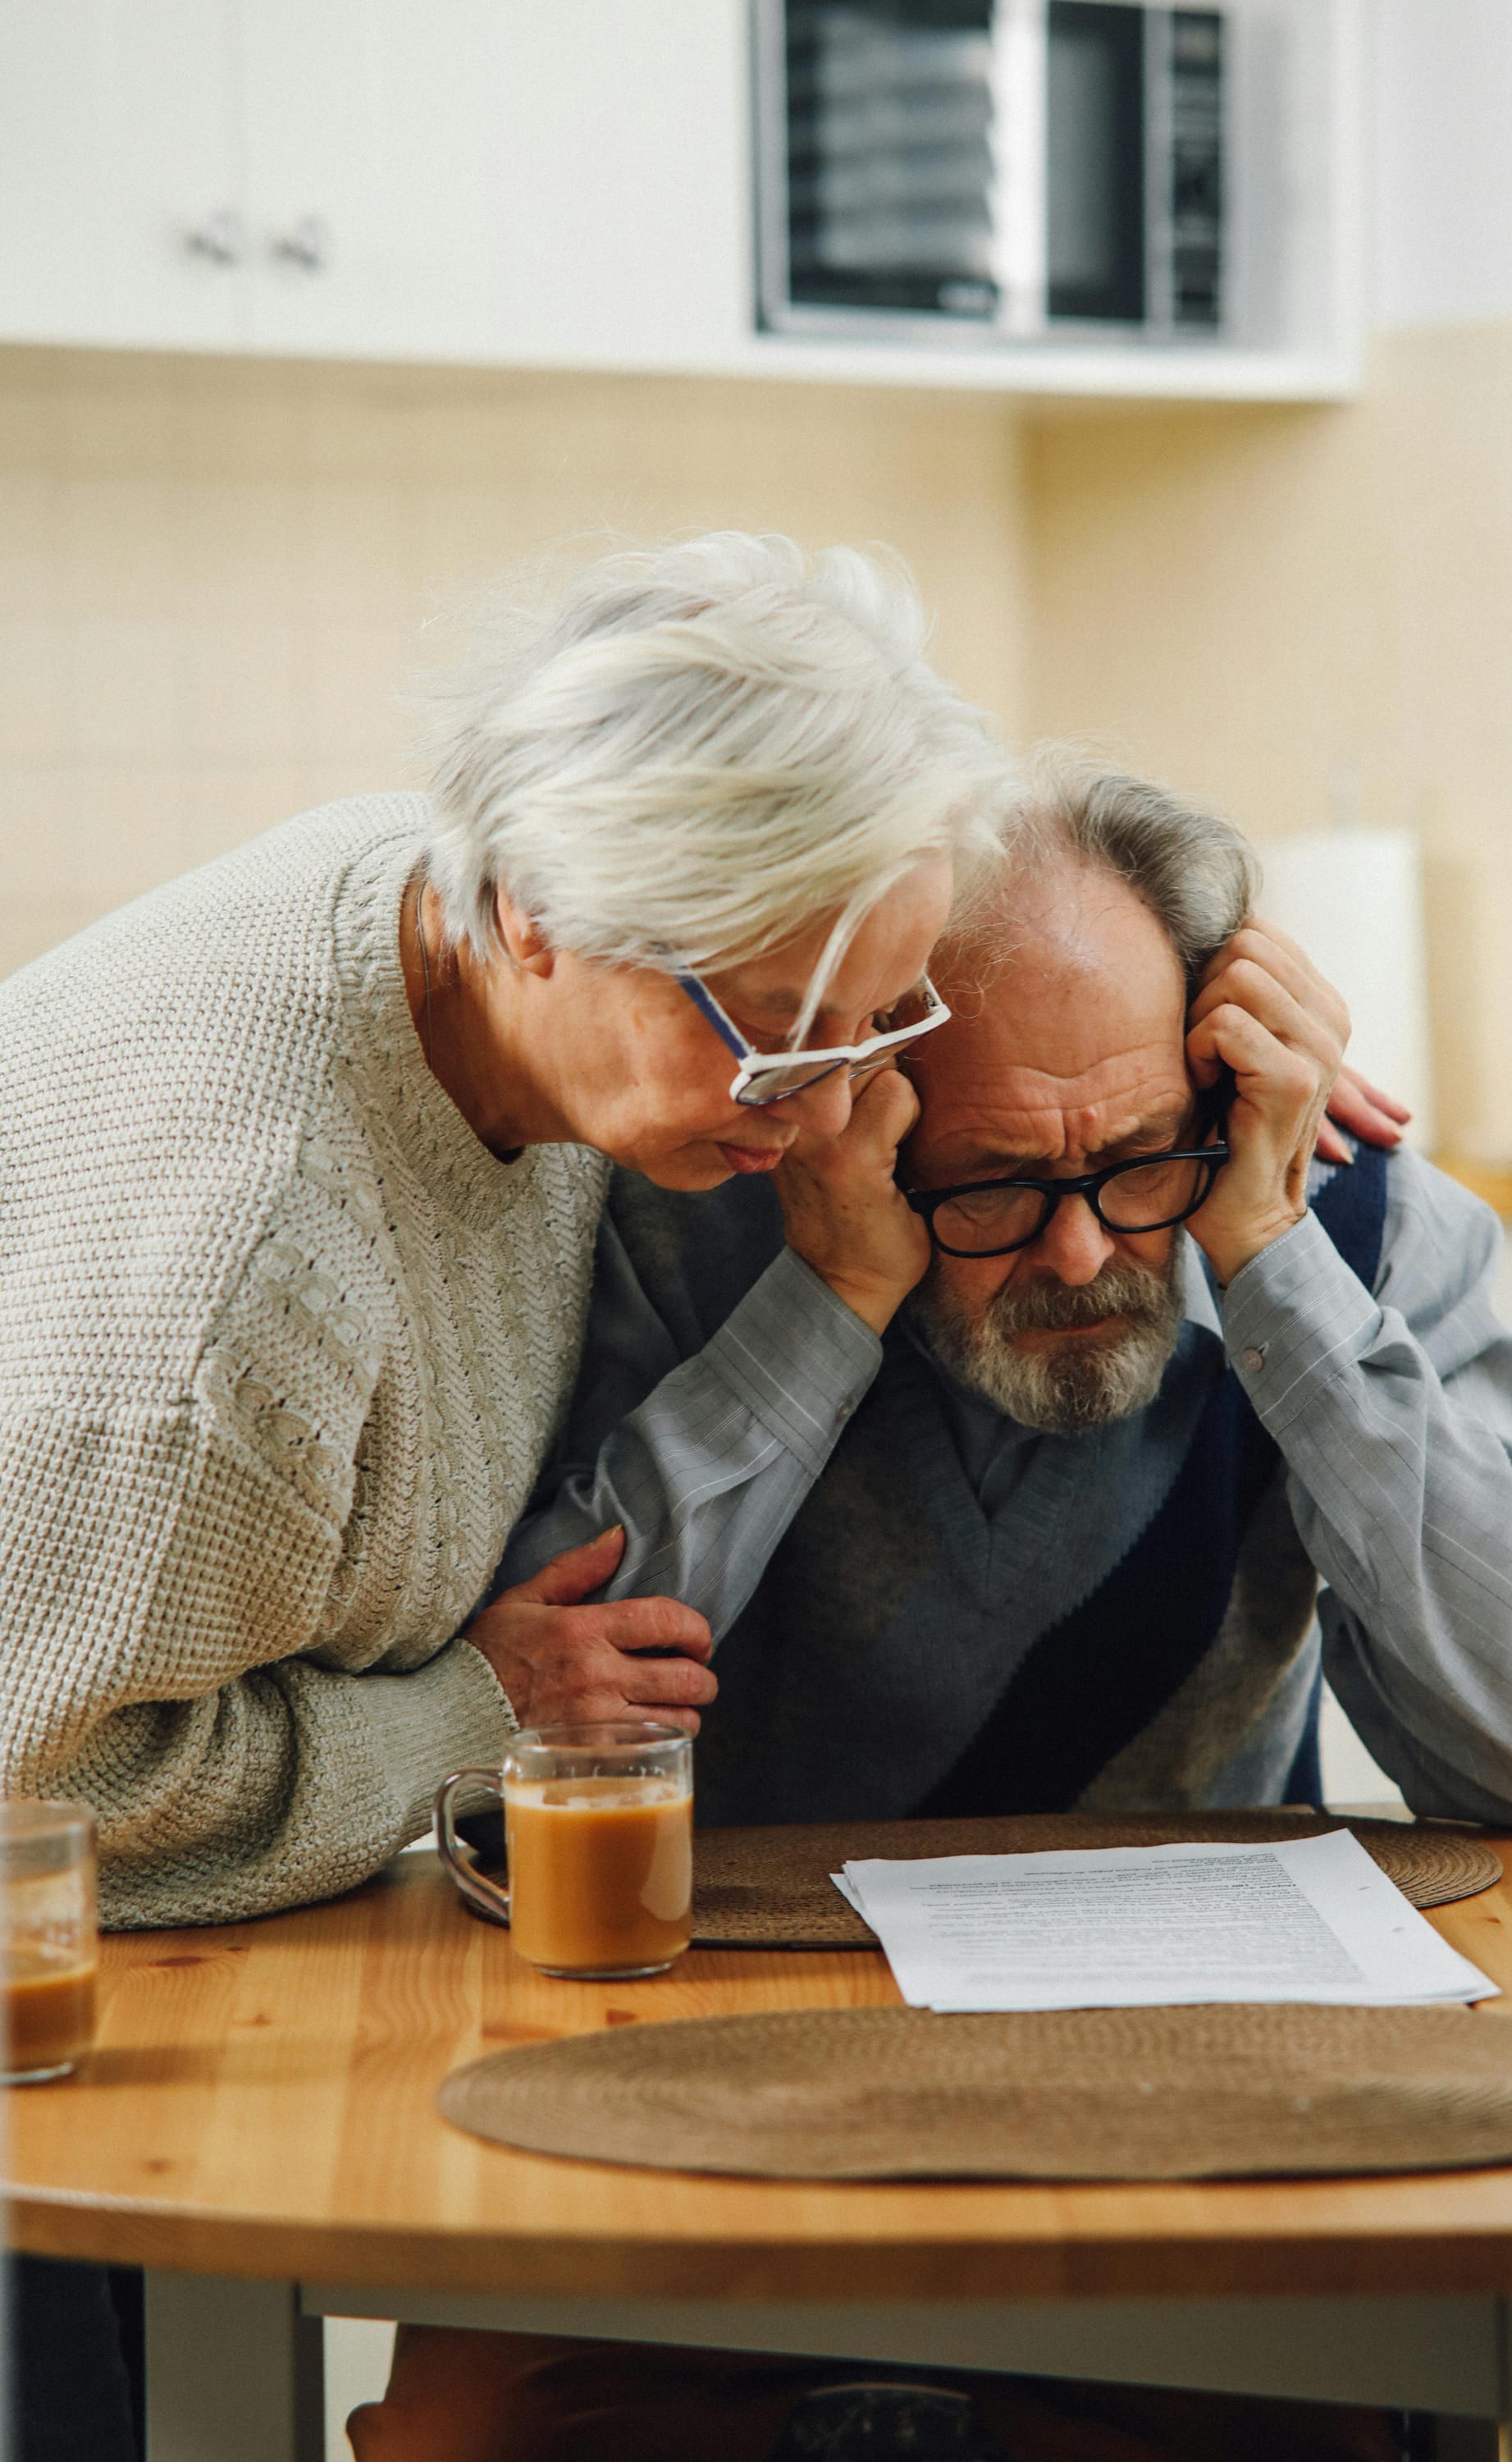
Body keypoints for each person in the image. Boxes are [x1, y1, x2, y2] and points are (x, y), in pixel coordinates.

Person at [356, 753, 1512, 2462]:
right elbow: (551, 1739)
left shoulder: (1342, 1224)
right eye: (986, 1185)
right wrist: (828, 1302)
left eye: (1134, 1159)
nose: (1079, 1255)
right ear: (856, 1104)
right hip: (691, 2097)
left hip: (1218, 2114)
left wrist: (1268, 1261)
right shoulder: (694, 1222)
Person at [0, 529, 1009, 2462]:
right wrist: (488, 1711)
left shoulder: (494, 917)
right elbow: (44, 1792)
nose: (823, 1104)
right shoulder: (248, 1269)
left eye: (873, 1016)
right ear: (539, 913)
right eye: (773, 1025)